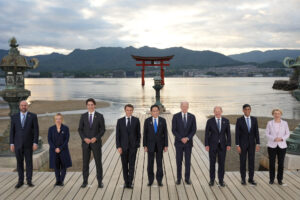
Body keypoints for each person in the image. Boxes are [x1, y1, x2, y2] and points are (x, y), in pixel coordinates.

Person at [10, 100, 39, 188]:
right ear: (19, 106)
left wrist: (35, 143)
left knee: (29, 163)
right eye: (22, 105)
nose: (23, 107)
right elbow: (12, 131)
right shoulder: (14, 117)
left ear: (27, 106)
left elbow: (36, 131)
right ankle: (20, 181)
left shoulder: (33, 116)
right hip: (17, 144)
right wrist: (11, 143)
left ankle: (29, 181)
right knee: (19, 163)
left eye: (25, 105)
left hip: (29, 144)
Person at [78, 98, 106, 188]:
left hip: (96, 143)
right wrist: (84, 138)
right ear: (86, 106)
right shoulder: (83, 116)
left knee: (98, 163)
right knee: (85, 163)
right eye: (88, 105)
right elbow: (80, 129)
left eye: (92, 104)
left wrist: (96, 138)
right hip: (85, 144)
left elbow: (102, 130)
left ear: (95, 105)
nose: (90, 106)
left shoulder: (100, 116)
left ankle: (100, 182)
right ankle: (85, 181)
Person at [205, 106, 231, 187]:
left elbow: (228, 134)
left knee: (222, 164)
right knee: (212, 163)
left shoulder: (226, 121)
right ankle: (212, 180)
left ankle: (221, 180)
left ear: (221, 111)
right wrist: (206, 144)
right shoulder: (210, 121)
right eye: (215, 111)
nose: (217, 112)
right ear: (214, 112)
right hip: (212, 145)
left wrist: (229, 144)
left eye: (218, 111)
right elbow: (206, 134)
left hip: (223, 146)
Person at [116, 104, 141, 188]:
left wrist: (137, 145)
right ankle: (126, 182)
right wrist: (118, 146)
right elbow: (117, 135)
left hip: (133, 147)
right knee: (124, 165)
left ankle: (130, 182)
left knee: (132, 165)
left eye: (131, 110)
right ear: (125, 110)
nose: (129, 111)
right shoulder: (120, 121)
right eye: (128, 110)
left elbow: (138, 134)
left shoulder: (136, 120)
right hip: (123, 147)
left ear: (132, 111)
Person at [172, 101, 196, 185]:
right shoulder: (175, 116)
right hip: (179, 143)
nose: (185, 107)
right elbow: (173, 130)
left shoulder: (192, 117)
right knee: (179, 161)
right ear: (180, 107)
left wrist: (188, 138)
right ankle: (178, 178)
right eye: (183, 106)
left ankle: (187, 178)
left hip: (188, 143)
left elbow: (194, 130)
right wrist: (181, 138)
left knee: (188, 161)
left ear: (188, 107)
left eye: (186, 106)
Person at [143, 105, 168, 186]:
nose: (155, 112)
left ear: (159, 111)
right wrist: (145, 145)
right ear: (151, 112)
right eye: (153, 111)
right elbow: (145, 134)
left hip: (160, 145)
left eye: (157, 110)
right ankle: (150, 180)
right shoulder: (147, 121)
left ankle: (159, 180)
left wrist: (166, 145)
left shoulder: (163, 120)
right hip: (150, 145)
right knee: (150, 164)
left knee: (159, 164)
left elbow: (165, 134)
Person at [235, 104, 260, 185]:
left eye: (249, 109)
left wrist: (258, 143)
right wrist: (237, 145)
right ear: (243, 110)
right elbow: (237, 134)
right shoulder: (239, 120)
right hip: (242, 145)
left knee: (251, 162)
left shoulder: (254, 119)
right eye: (245, 109)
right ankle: (243, 179)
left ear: (250, 110)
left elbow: (256, 132)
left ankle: (251, 179)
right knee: (242, 162)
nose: (247, 111)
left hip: (252, 144)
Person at [265, 109, 290, 185]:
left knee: (281, 163)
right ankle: (271, 179)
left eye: (278, 113)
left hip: (282, 146)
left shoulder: (285, 123)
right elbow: (267, 133)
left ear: (281, 114)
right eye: (275, 113)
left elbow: (287, 134)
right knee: (271, 163)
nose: (277, 115)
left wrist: (282, 138)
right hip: (272, 145)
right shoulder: (269, 123)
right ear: (273, 114)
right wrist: (273, 138)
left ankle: (280, 180)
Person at [48, 113, 72, 186]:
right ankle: (57, 181)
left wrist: (60, 148)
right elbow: (49, 140)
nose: (58, 120)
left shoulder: (66, 128)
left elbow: (66, 140)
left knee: (64, 166)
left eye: (59, 119)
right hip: (53, 151)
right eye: (56, 119)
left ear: (62, 119)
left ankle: (61, 181)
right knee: (56, 166)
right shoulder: (51, 129)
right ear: (54, 120)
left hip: (63, 150)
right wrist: (55, 148)